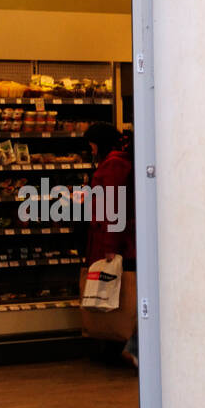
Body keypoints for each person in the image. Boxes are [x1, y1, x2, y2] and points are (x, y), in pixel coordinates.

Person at [82, 121, 137, 370]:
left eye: (92, 144)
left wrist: (109, 246)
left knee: (119, 294)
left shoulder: (114, 164)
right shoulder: (114, 161)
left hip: (114, 241)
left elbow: (114, 206)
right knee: (113, 292)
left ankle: (123, 346)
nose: (91, 149)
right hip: (111, 237)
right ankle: (116, 345)